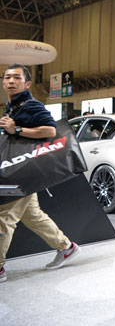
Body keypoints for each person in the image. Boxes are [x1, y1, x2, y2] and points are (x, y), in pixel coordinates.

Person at [0, 64, 81, 283]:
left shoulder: (31, 105)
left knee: (4, 217)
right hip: (21, 170)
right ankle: (66, 247)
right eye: (7, 77)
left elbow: (50, 130)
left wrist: (16, 129)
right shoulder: (13, 106)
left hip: (21, 173)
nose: (10, 81)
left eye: (16, 77)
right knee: (33, 215)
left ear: (27, 83)